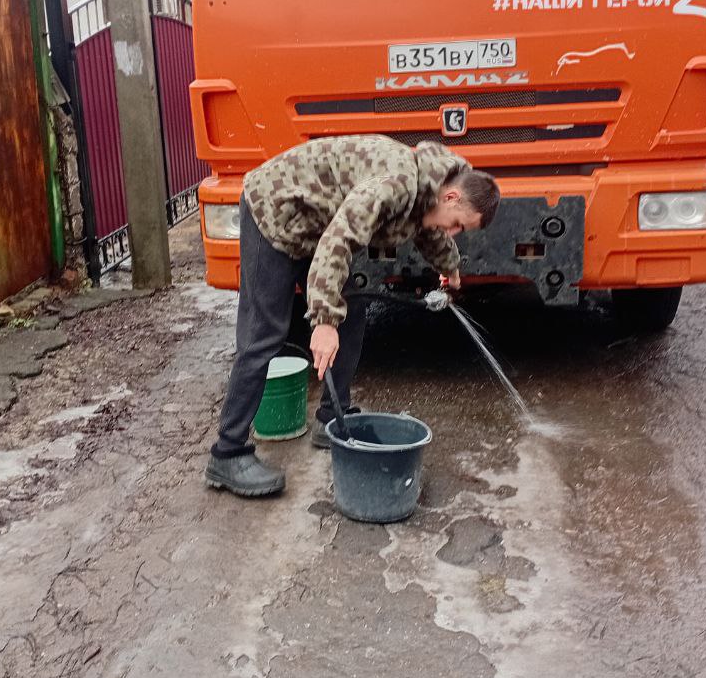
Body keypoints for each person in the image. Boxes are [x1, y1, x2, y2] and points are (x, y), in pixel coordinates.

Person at [205, 135, 502, 497]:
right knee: (264, 334)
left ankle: (332, 416)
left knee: (353, 312)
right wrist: (324, 322)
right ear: (451, 197)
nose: (453, 232)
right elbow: (339, 241)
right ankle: (228, 452)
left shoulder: (432, 188)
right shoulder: (393, 184)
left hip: (316, 222)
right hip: (275, 211)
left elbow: (426, 226)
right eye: (458, 223)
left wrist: (451, 267)